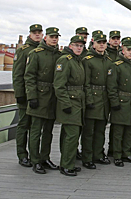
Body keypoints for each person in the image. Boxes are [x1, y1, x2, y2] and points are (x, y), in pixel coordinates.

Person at [25, 27, 62, 174]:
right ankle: (35, 160)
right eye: (52, 37)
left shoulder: (59, 55)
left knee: (48, 131)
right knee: (35, 131)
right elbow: (29, 77)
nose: (54, 39)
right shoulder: (35, 54)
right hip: (39, 96)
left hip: (52, 97)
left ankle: (45, 158)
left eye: (56, 37)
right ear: (45, 37)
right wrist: (32, 96)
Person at [54, 35, 88, 176]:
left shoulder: (77, 61)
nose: (79, 48)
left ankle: (67, 162)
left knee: (69, 134)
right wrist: (65, 103)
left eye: (81, 46)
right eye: (76, 45)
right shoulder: (65, 60)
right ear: (71, 45)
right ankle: (67, 165)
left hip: (78, 101)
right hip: (70, 102)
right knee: (72, 135)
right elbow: (59, 85)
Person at [107, 37, 131, 167]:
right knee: (118, 131)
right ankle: (117, 155)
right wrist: (115, 102)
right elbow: (111, 87)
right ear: (123, 49)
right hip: (121, 102)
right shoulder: (116, 66)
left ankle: (126, 153)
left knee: (130, 130)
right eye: (129, 50)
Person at [12, 24, 43, 167]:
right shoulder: (23, 51)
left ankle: (35, 155)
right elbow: (18, 74)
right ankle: (22, 154)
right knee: (24, 124)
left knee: (36, 127)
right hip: (25, 95)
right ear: (30, 34)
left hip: (39, 95)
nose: (37, 35)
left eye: (39, 33)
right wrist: (19, 94)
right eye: (34, 33)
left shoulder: (43, 50)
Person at [81, 33, 112, 170]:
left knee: (100, 130)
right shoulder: (87, 60)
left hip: (104, 99)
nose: (101, 45)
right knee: (89, 131)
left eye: (104, 42)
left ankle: (98, 154)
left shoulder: (108, 60)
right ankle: (87, 157)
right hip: (93, 97)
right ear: (93, 44)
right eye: (99, 42)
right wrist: (89, 99)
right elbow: (85, 83)